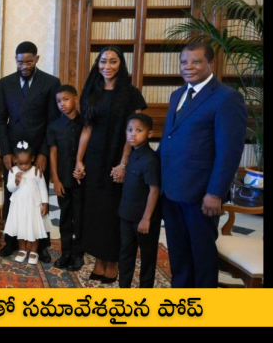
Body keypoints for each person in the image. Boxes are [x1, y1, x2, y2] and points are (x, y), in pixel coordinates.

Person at [158, 41, 247, 288]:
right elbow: (168, 141)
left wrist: (215, 192)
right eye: (184, 62)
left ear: (211, 63)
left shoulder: (227, 98)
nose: (188, 67)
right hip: (171, 190)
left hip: (201, 193)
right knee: (178, 251)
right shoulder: (177, 94)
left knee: (202, 254)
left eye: (196, 61)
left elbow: (229, 151)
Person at [74, 45, 146, 284]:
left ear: (121, 64)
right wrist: (79, 160)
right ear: (98, 64)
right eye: (103, 61)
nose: (107, 66)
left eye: (113, 61)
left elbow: (133, 131)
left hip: (118, 157)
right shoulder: (91, 90)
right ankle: (98, 259)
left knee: (113, 212)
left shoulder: (131, 93)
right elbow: (87, 128)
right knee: (94, 210)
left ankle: (112, 261)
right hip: (94, 158)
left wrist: (123, 163)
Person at [0, 41, 60, 261]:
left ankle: (41, 245)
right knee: (12, 196)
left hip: (38, 149)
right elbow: (1, 121)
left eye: (29, 62)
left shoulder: (51, 83)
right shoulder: (6, 83)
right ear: (15, 60)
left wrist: (43, 153)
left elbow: (52, 121)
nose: (24, 66)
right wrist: (6, 151)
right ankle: (11, 241)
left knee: (38, 197)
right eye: (20, 62)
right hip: (13, 150)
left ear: (37, 59)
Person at [119, 113, 161, 288]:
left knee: (147, 257)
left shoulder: (150, 160)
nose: (133, 134)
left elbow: (154, 190)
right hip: (127, 215)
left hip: (144, 219)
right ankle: (124, 287)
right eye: (129, 130)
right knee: (126, 254)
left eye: (138, 130)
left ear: (149, 134)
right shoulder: (131, 155)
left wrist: (146, 218)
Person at [46, 84, 85, 271]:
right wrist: (55, 179)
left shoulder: (85, 123)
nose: (62, 104)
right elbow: (53, 153)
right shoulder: (54, 126)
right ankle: (66, 253)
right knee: (65, 217)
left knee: (80, 218)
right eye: (58, 101)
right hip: (63, 179)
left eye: (66, 99)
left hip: (82, 180)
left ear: (75, 99)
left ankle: (78, 254)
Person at [4, 141, 50, 265]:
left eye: (27, 163)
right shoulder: (13, 171)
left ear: (32, 159)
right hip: (19, 205)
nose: (23, 167)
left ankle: (34, 251)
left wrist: (45, 203)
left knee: (34, 227)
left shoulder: (36, 171)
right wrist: (16, 182)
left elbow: (42, 188)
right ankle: (22, 249)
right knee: (21, 227)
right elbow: (10, 188)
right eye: (20, 164)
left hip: (33, 206)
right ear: (15, 160)